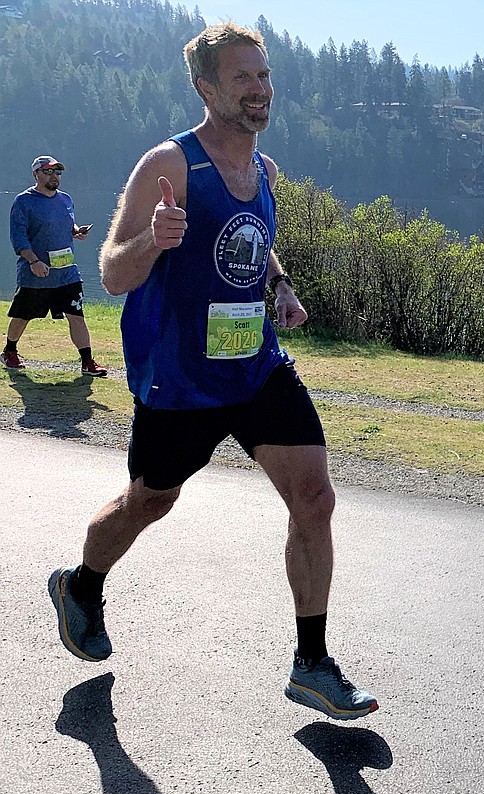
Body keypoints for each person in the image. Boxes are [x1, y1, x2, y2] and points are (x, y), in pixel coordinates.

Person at [46, 21, 378, 721]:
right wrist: (151, 238)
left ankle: (311, 663)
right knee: (148, 502)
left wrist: (279, 288)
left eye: (264, 76)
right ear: (206, 88)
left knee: (315, 499)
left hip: (255, 369)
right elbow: (110, 270)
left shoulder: (265, 171)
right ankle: (81, 584)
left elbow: (256, 247)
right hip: (181, 382)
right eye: (242, 79)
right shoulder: (170, 165)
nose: (259, 91)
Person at [6, 155, 108, 376]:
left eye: (58, 172)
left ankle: (87, 361)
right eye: (49, 172)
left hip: (67, 273)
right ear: (36, 174)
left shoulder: (65, 199)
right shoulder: (24, 201)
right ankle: (9, 351)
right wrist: (33, 261)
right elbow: (18, 237)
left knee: (76, 314)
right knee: (23, 315)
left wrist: (76, 231)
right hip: (36, 273)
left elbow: (66, 222)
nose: (54, 176)